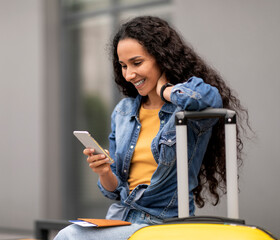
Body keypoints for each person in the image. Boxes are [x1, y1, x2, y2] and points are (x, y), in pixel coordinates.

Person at [54, 16, 249, 240]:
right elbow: (115, 190)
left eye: (137, 63)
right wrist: (104, 171)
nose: (128, 75)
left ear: (161, 57)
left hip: (162, 223)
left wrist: (166, 89)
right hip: (122, 218)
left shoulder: (186, 111)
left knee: (70, 236)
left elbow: (209, 98)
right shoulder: (123, 111)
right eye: (124, 66)